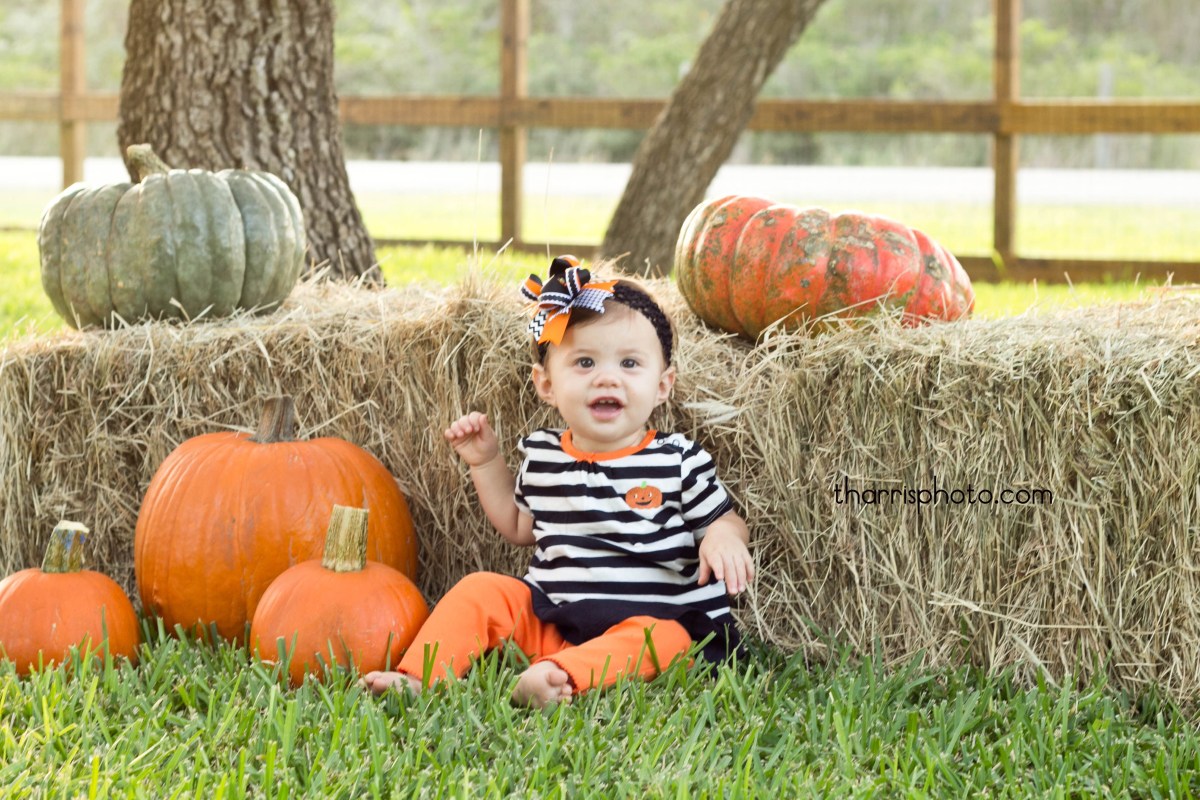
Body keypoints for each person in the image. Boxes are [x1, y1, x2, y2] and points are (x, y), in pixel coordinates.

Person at [361, 256, 754, 707]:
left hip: (654, 618)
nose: (608, 377)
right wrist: (486, 462)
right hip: (556, 618)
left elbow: (724, 519)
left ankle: (558, 676)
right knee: (481, 589)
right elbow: (518, 525)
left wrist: (723, 539)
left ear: (662, 385)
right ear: (546, 384)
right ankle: (420, 677)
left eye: (630, 363)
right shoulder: (544, 455)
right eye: (584, 362)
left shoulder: (677, 459)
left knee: (662, 639)